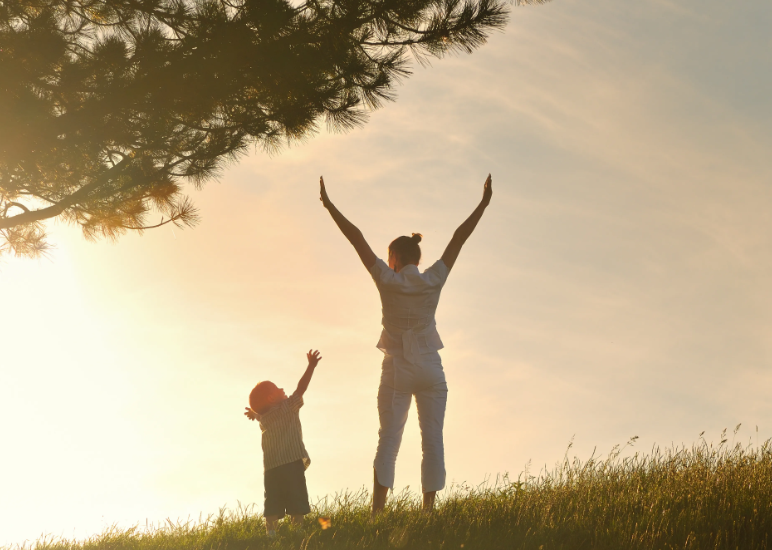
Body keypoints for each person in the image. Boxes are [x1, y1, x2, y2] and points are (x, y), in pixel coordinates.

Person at [319, 174, 492, 514]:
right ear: (417, 258)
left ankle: (377, 513)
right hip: (431, 369)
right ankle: (428, 513)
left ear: (394, 258)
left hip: (398, 370)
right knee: (433, 440)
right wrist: (483, 203)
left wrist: (329, 205)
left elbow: (356, 238)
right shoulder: (433, 279)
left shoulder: (387, 279)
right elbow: (459, 237)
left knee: (389, 439)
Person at [244, 349, 323, 536]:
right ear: (271, 398)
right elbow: (301, 388)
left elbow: (260, 415)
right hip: (291, 464)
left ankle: (271, 536)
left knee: (272, 502)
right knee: (296, 501)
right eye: (277, 388)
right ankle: (297, 533)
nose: (282, 389)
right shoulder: (288, 407)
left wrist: (254, 413)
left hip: (271, 469)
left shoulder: (265, 418)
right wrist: (311, 366)